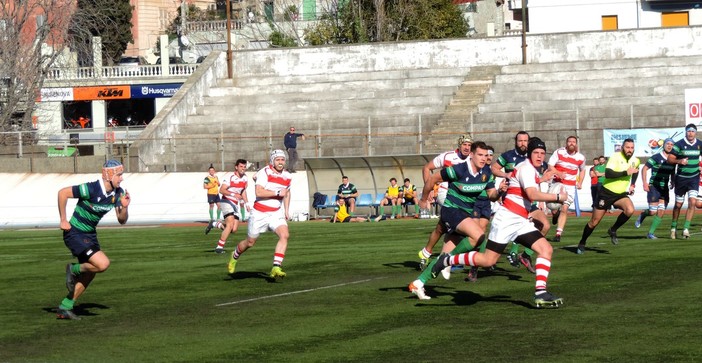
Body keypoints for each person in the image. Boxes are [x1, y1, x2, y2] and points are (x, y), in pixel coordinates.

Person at [430, 138, 566, 308]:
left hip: (520, 221)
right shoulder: (525, 168)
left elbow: (526, 187)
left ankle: (540, 292)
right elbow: (532, 194)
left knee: (546, 249)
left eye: (542, 153)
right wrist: (558, 197)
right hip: (507, 219)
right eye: (536, 153)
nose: (539, 156)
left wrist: (542, 179)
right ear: (529, 154)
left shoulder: (531, 170)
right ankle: (447, 260)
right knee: (487, 261)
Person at [408, 141, 503, 300]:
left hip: (464, 215)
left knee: (444, 257)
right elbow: (432, 180)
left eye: (485, 155)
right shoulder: (458, 169)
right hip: (451, 211)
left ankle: (418, 283)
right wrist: (424, 199)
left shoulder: (486, 172)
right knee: (479, 236)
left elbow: (491, 194)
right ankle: (448, 260)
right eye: (479, 154)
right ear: (471, 155)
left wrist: (500, 192)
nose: (483, 158)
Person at [56, 160, 131, 320]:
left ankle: (65, 306)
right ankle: (73, 269)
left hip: (89, 235)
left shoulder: (118, 193)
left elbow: (122, 220)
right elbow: (63, 193)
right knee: (102, 264)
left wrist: (124, 206)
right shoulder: (91, 188)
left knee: (90, 273)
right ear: (109, 175)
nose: (122, 178)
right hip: (74, 233)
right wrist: (63, 219)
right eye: (119, 175)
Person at [227, 150, 292, 279]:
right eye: (278, 159)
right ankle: (234, 255)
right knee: (250, 242)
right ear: (273, 161)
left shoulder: (288, 176)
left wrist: (286, 210)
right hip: (259, 213)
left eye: (282, 160)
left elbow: (287, 192)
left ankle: (276, 267)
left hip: (275, 213)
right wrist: (278, 193)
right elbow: (259, 193)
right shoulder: (264, 172)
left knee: (284, 235)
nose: (280, 162)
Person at [416, 134, 472, 270]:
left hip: (463, 195)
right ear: (459, 145)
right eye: (464, 144)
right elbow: (427, 168)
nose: (467, 147)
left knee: (443, 227)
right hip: (445, 193)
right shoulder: (447, 156)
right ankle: (449, 259)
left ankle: (426, 253)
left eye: (469, 145)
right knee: (460, 223)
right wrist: (428, 189)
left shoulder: (473, 159)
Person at [577, 138, 640, 254]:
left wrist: (632, 185)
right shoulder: (615, 157)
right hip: (606, 193)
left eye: (632, 148)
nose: (630, 150)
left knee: (630, 210)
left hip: (620, 194)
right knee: (594, 222)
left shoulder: (636, 160)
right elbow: (609, 174)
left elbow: (636, 170)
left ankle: (613, 230)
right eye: (627, 147)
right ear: (622, 148)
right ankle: (582, 242)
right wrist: (626, 173)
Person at [207, 159, 251, 253]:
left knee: (233, 229)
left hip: (235, 204)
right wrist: (233, 195)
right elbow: (222, 190)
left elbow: (243, 191)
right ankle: (219, 248)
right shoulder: (230, 177)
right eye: (241, 166)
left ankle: (215, 224)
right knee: (230, 224)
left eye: (244, 167)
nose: (243, 168)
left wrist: (247, 203)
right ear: (236, 167)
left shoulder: (245, 178)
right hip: (226, 201)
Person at [634, 139, 675, 239]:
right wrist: (644, 183)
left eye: (672, 144)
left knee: (661, 212)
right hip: (654, 187)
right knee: (653, 212)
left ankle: (650, 233)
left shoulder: (673, 158)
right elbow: (644, 168)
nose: (669, 146)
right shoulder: (656, 157)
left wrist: (672, 181)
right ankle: (643, 214)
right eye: (668, 144)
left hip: (664, 188)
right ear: (664, 145)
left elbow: (673, 171)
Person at [548, 136, 586, 242]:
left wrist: (580, 182)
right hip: (557, 183)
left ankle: (558, 234)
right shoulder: (559, 152)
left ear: (576, 144)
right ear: (566, 143)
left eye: (574, 142)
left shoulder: (580, 158)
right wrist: (558, 173)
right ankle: (555, 214)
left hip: (570, 186)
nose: (571, 143)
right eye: (569, 142)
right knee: (554, 208)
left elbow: (583, 170)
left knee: (564, 209)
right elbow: (550, 165)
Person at [667, 123, 702, 239]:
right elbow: (670, 158)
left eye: (692, 131)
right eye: (688, 131)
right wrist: (679, 161)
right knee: (678, 205)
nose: (690, 133)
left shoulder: (699, 144)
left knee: (692, 202)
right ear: (685, 132)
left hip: (694, 178)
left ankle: (686, 229)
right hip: (681, 179)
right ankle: (673, 227)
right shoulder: (679, 144)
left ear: (695, 132)